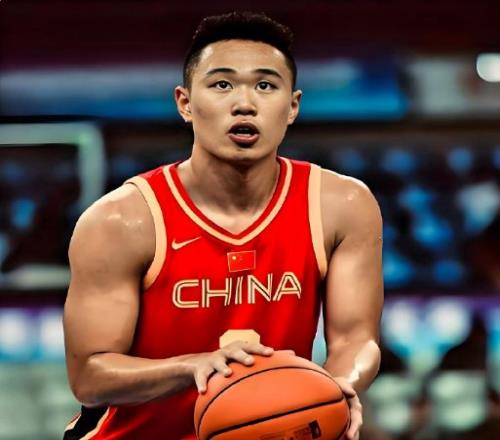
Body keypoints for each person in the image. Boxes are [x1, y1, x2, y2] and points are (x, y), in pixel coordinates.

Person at [63, 11, 383, 440]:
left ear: (292, 107)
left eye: (265, 86)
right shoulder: (120, 220)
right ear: (185, 103)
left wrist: (338, 386)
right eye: (222, 85)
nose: (245, 103)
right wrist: (192, 366)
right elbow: (89, 376)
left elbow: (356, 339)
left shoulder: (342, 204)